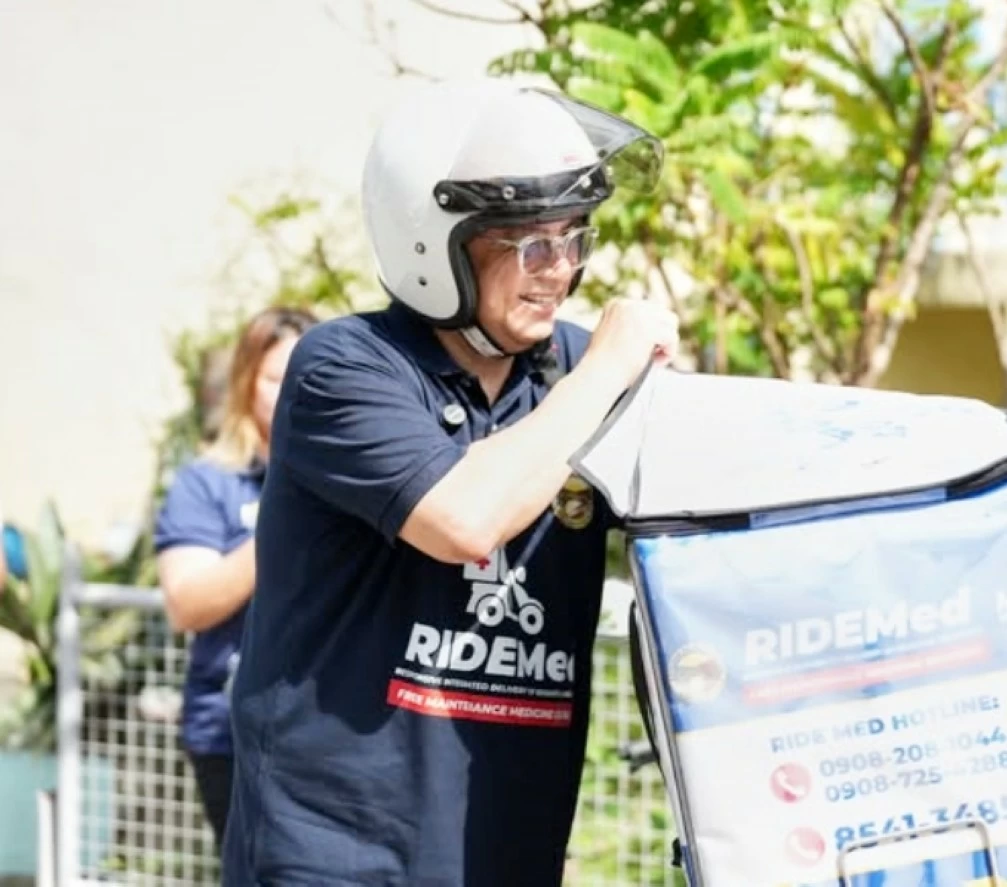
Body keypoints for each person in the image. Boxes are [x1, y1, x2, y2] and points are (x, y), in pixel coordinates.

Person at [220, 78, 680, 886]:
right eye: (531, 244)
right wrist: (611, 364)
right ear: (433, 242)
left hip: (502, 857)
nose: (560, 271)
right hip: (337, 859)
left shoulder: (573, 375)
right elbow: (465, 516)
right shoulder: (346, 367)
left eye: (575, 238)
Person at [153, 305, 318, 848]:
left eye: (305, 377)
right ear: (248, 382)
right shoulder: (207, 483)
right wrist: (289, 514)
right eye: (276, 379)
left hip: (328, 731)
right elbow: (187, 604)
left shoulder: (357, 475)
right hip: (230, 733)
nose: (290, 393)